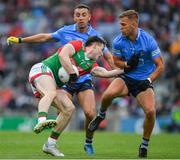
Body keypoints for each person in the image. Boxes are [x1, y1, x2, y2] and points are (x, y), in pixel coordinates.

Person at [7, 4, 116, 155]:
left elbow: (108, 58)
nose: (80, 18)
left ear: (90, 17)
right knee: (62, 107)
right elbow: (46, 38)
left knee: (89, 113)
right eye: (77, 15)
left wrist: (119, 73)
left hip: (83, 77)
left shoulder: (96, 39)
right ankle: (47, 130)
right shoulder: (66, 32)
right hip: (65, 77)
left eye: (84, 14)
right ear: (74, 17)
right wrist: (21, 40)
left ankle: (87, 141)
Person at [29, 36, 123, 157]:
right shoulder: (78, 45)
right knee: (51, 93)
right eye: (102, 49)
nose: (102, 54)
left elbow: (106, 73)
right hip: (42, 69)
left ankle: (50, 144)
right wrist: (73, 73)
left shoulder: (90, 65)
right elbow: (63, 55)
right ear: (95, 45)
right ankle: (41, 120)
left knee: (69, 109)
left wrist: (125, 69)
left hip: (52, 82)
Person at [88, 10, 165, 158]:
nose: (120, 28)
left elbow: (160, 65)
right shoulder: (118, 41)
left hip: (143, 81)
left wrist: (148, 80)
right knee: (107, 95)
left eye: (123, 25)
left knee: (150, 112)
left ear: (134, 24)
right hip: (127, 77)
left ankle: (144, 145)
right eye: (120, 24)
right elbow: (116, 61)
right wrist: (127, 64)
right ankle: (101, 115)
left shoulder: (148, 41)